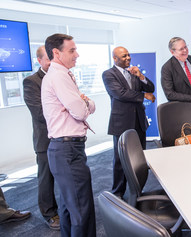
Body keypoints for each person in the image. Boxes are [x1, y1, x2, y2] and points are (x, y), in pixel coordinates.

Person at [41, 33, 96, 237]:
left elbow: (86, 106)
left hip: (65, 149)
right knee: (81, 209)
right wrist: (85, 103)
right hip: (67, 151)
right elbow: (82, 111)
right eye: (72, 50)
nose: (77, 54)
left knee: (69, 208)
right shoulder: (58, 76)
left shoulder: (60, 75)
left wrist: (85, 103)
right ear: (56, 53)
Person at [102, 46, 155, 198]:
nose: (128, 58)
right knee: (120, 160)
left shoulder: (133, 72)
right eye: (124, 56)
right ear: (115, 59)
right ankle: (117, 192)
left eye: (128, 55)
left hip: (139, 121)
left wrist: (141, 77)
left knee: (139, 159)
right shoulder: (108, 74)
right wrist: (144, 96)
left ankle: (137, 190)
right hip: (121, 122)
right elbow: (120, 94)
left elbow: (151, 87)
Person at [23, 46, 60, 230]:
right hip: (45, 140)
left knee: (64, 177)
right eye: (48, 59)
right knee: (46, 179)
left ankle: (65, 209)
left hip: (64, 137)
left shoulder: (61, 77)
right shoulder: (31, 82)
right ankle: (50, 214)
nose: (52, 62)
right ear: (39, 60)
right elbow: (40, 113)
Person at [161, 37, 191, 134]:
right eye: (181, 49)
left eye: (185, 47)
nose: (185, 51)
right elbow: (170, 94)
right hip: (183, 113)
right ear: (172, 52)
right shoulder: (167, 68)